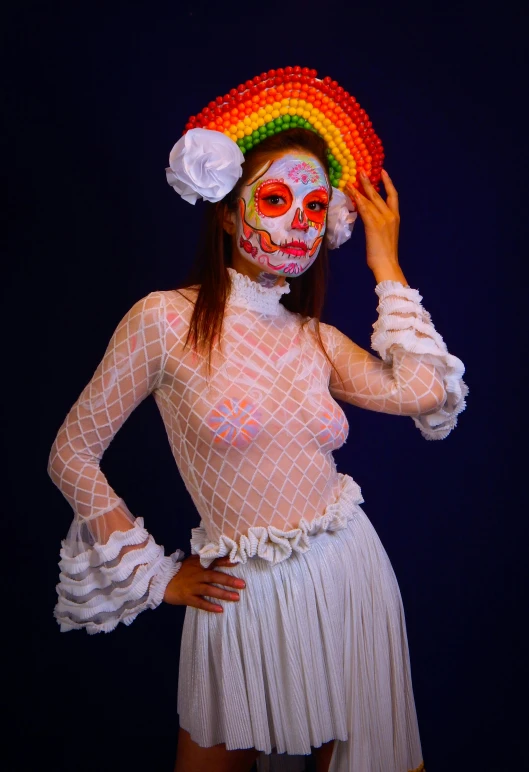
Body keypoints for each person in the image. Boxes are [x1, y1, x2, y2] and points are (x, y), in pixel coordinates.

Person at [47, 67, 467, 772]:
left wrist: (384, 260)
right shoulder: (163, 320)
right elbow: (70, 455)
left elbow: (424, 391)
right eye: (274, 199)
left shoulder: (313, 338)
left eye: (311, 207)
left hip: (349, 576)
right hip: (241, 596)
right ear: (224, 208)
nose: (295, 223)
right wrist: (156, 575)